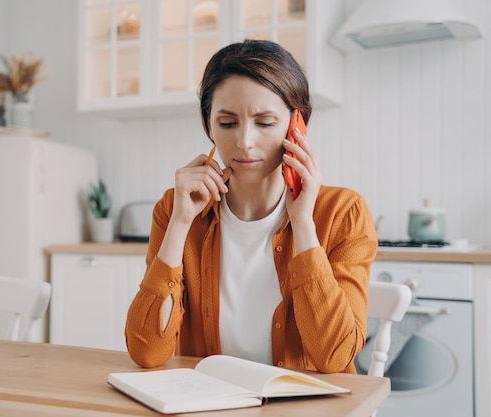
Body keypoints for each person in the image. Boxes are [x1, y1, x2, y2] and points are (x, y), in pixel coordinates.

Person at [125, 39, 377, 374]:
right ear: (209, 127)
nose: (244, 142)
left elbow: (333, 357)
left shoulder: (343, 212)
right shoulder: (175, 208)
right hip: (209, 405)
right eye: (228, 123)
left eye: (265, 122)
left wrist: (302, 222)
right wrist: (180, 223)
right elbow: (146, 351)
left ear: (296, 124)